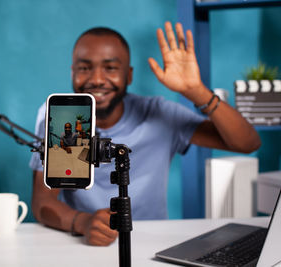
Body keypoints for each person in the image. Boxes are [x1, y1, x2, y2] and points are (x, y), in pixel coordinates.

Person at [29, 22, 261, 246]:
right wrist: (83, 222)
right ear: (73, 72)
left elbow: (247, 143)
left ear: (129, 75)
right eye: (84, 68)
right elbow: (43, 203)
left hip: (152, 243)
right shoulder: (58, 119)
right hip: (86, 243)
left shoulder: (160, 113)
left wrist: (198, 92)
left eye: (110, 68)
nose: (97, 79)